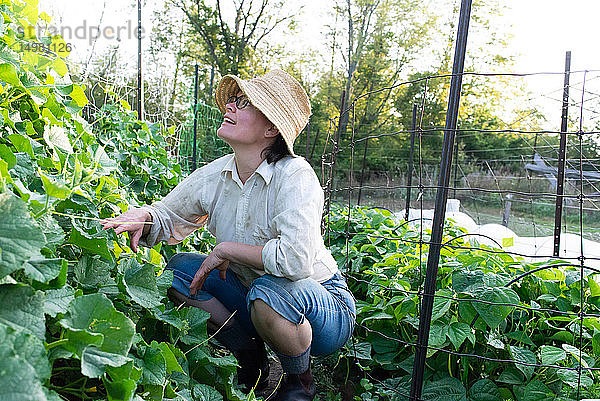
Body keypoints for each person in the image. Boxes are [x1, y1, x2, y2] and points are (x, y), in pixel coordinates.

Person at [102, 69, 356, 400]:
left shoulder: (295, 176)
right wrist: (144, 217)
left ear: (270, 128)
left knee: (271, 291)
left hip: (322, 306)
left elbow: (295, 261)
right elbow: (169, 215)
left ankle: (298, 382)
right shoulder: (216, 173)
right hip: (253, 294)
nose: (231, 107)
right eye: (232, 100)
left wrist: (227, 250)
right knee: (178, 271)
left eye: (245, 103)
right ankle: (250, 355)